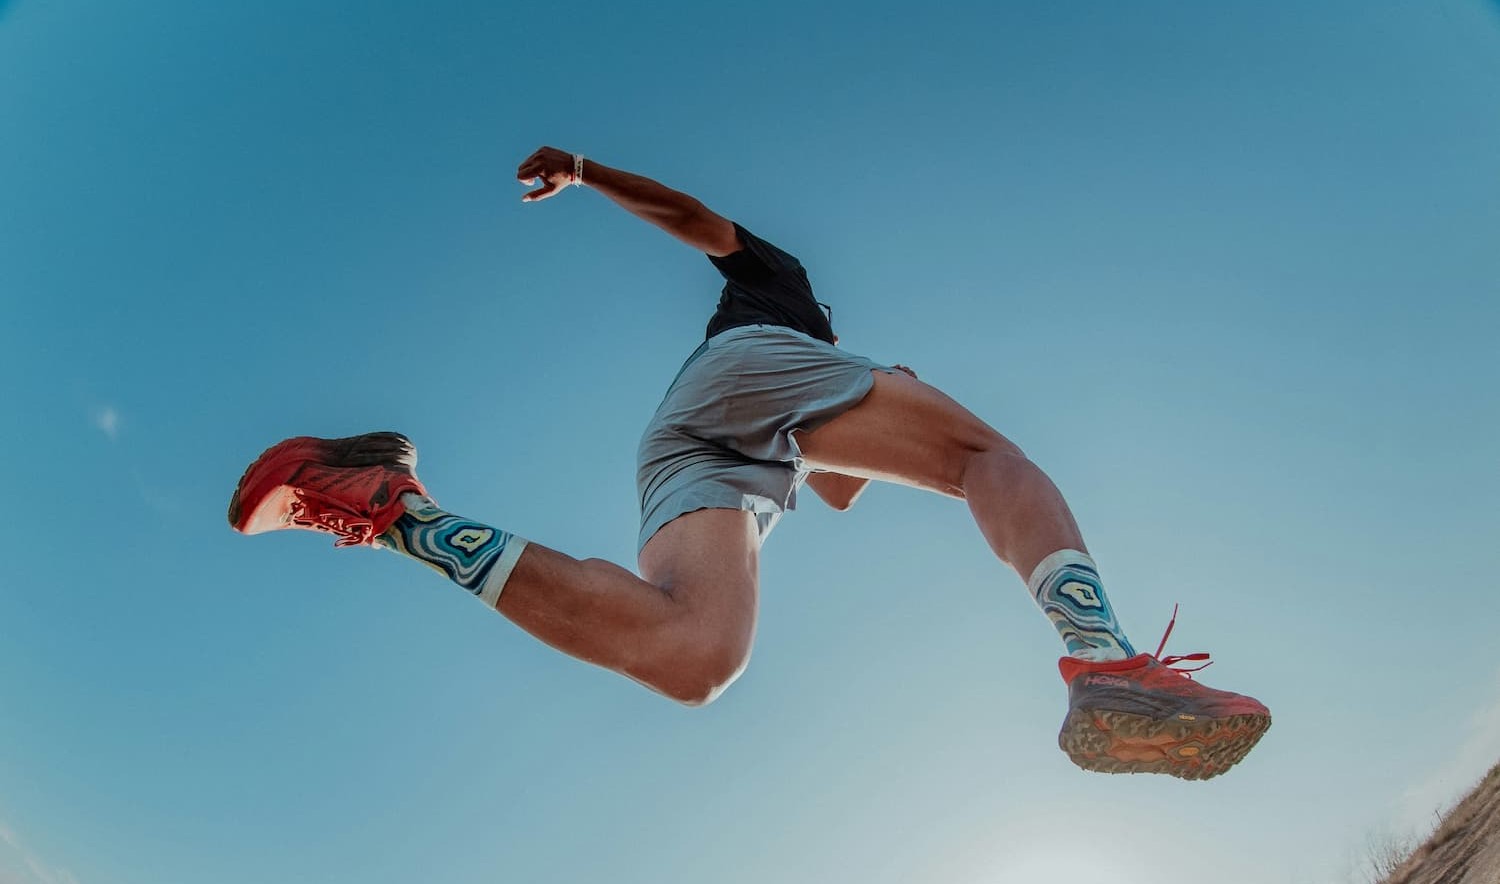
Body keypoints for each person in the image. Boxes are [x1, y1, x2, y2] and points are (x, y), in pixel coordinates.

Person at [228, 145, 1270, 780]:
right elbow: (696, 221)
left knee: (695, 657)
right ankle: (1103, 654)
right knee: (985, 455)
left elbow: (840, 480)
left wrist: (880, 410)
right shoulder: (786, 294)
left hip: (703, 449)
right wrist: (588, 173)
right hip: (742, 385)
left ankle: (392, 501)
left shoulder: (815, 391)